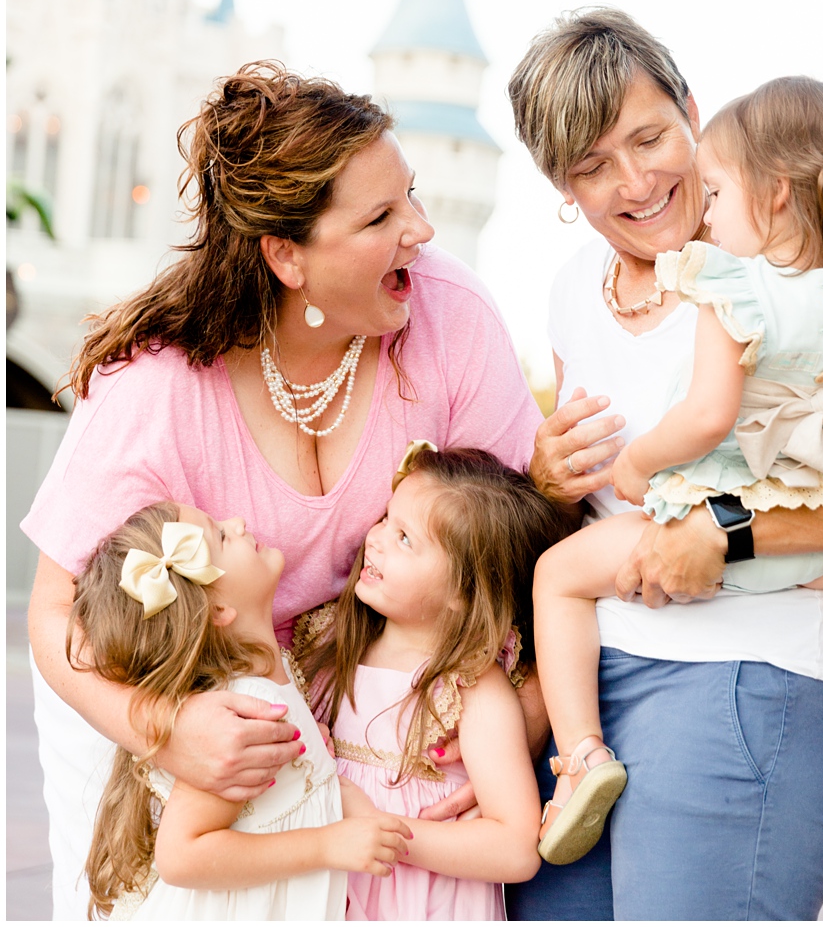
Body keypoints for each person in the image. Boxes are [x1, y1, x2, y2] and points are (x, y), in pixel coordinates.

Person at [22, 63, 544, 921]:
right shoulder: (158, 385)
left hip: (330, 717)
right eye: (379, 217)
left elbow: (527, 539)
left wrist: (508, 728)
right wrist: (164, 730)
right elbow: (53, 615)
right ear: (285, 255)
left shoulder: (448, 315)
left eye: (408, 193)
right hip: (150, 697)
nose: (420, 228)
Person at [502, 10, 823, 921]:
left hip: (747, 672)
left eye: (651, 137)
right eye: (591, 166)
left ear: (694, 111)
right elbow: (590, 485)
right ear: (560, 185)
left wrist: (726, 535)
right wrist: (546, 471)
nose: (636, 180)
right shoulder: (573, 287)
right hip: (592, 687)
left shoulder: (816, 266)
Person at [72, 503, 411, 920]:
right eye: (221, 536)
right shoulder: (240, 712)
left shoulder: (272, 674)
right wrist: (328, 844)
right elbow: (183, 855)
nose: (239, 523)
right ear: (217, 611)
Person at [297, 444, 572, 919]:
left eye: (404, 538)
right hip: (329, 894)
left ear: (464, 593)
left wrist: (382, 831)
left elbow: (515, 847)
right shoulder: (328, 651)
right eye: (386, 518)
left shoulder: (469, 690)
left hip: (422, 903)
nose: (376, 539)